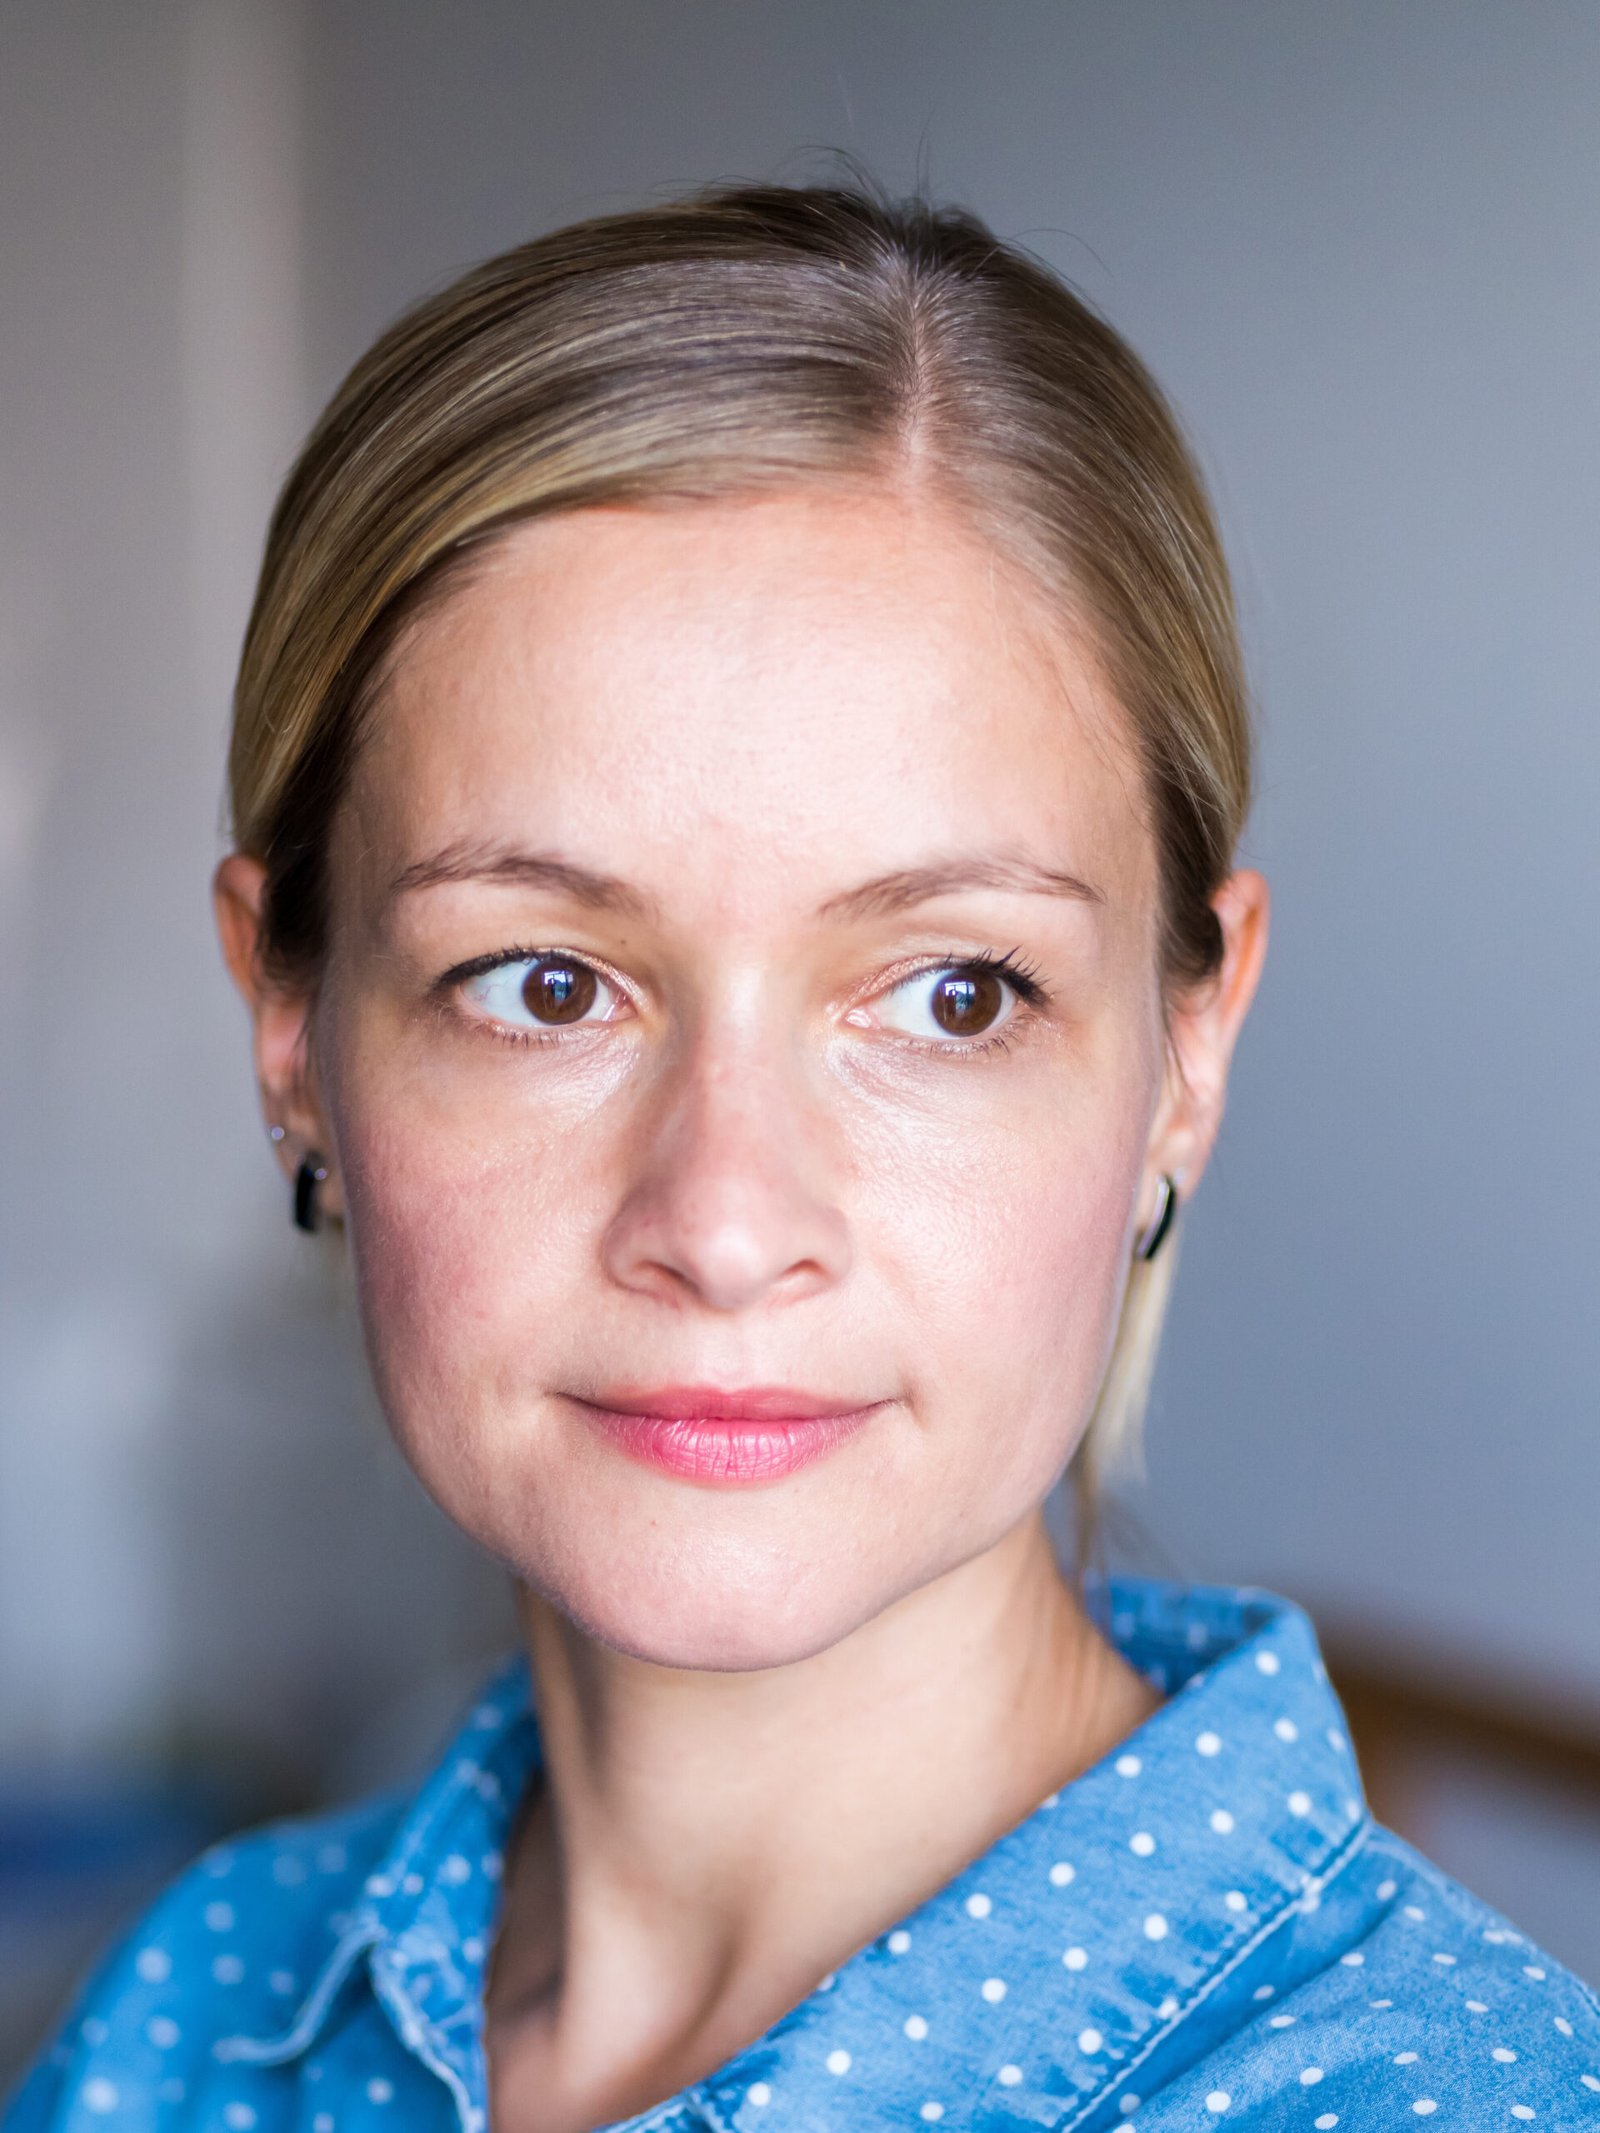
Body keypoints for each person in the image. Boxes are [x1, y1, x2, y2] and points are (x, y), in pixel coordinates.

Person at [5, 177, 1597, 2133]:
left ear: (1186, 1045)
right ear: (292, 1029)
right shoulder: (193, 2011)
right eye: (544, 982)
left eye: (947, 992)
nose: (727, 1220)